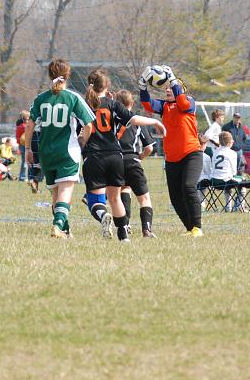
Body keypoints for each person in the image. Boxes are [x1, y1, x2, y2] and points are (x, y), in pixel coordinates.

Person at [82, 70, 165, 242]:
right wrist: (156, 121)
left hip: (94, 157)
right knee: (115, 198)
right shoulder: (113, 104)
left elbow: (80, 132)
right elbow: (134, 119)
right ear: (107, 86)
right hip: (115, 156)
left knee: (94, 201)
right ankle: (123, 236)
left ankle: (103, 215)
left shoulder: (83, 105)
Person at [24, 59, 95, 239]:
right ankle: (57, 226)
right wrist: (83, 141)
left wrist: (27, 149)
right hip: (67, 152)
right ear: (67, 75)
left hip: (46, 153)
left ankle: (65, 230)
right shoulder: (72, 97)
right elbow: (88, 125)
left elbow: (30, 125)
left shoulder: (40, 98)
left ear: (50, 75)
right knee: (65, 192)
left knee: (56, 193)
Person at [140, 65, 204, 236]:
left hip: (192, 154)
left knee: (189, 187)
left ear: (181, 90)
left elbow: (182, 102)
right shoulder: (164, 106)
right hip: (172, 159)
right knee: (175, 197)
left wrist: (173, 77)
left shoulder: (189, 102)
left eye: (171, 87)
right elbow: (147, 104)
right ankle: (190, 228)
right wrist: (143, 85)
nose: (168, 90)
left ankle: (198, 228)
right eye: (166, 88)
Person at [115, 90, 160, 238]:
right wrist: (139, 157)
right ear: (131, 103)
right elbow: (149, 148)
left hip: (115, 161)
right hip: (132, 161)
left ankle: (125, 225)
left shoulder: (112, 119)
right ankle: (146, 229)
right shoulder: (138, 121)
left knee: (123, 189)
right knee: (144, 198)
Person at [15, 111, 30, 181]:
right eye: (28, 118)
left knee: (23, 161)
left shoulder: (19, 126)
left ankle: (21, 176)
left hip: (21, 145)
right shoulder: (24, 126)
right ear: (25, 119)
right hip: (24, 145)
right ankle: (23, 177)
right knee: (25, 162)